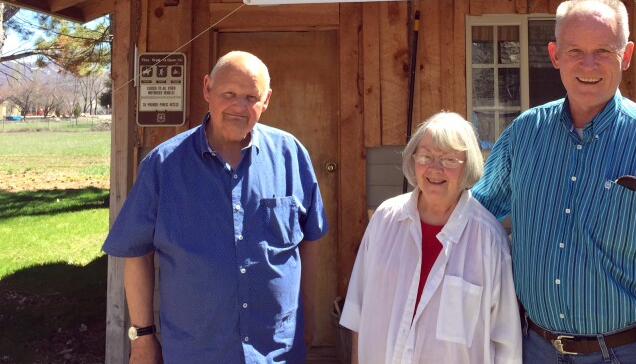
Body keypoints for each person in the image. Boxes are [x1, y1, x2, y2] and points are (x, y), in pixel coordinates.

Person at [472, 0, 636, 363]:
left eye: (603, 50)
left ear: (627, 55)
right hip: (535, 349)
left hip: (631, 352)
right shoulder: (524, 135)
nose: (588, 64)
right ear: (555, 55)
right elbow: (475, 217)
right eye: (575, 50)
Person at [103, 51, 328, 364]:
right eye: (229, 94)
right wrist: (142, 337)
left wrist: (309, 320)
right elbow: (135, 252)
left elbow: (309, 241)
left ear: (267, 100)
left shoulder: (291, 155)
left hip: (276, 352)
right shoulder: (163, 165)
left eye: (251, 97)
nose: (239, 107)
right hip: (196, 352)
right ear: (207, 89)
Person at [340, 111, 522, 363]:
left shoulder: (488, 238)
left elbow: (506, 343)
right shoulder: (385, 219)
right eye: (426, 156)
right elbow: (357, 311)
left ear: (467, 164)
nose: (435, 169)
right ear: (414, 159)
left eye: (449, 159)